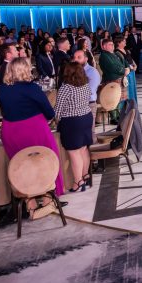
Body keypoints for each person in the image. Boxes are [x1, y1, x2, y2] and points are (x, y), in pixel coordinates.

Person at [0, 58, 64, 222]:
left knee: (21, 165)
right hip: (34, 128)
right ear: (25, 70)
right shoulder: (32, 88)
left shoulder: (2, 90)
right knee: (47, 160)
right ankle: (48, 201)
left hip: (11, 131)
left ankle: (30, 205)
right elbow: (49, 112)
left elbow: (5, 110)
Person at [54, 62, 93, 192]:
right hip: (86, 117)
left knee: (74, 152)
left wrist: (54, 120)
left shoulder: (66, 88)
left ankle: (78, 182)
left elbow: (58, 110)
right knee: (83, 149)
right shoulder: (86, 85)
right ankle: (85, 175)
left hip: (72, 122)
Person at [74, 50, 101, 142]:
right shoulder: (73, 72)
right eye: (74, 57)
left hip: (89, 104)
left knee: (89, 132)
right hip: (76, 105)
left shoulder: (92, 72)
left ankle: (93, 150)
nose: (75, 60)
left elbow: (90, 92)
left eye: (79, 57)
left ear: (86, 59)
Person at [115, 37, 138, 104]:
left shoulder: (125, 50)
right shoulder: (117, 52)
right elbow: (120, 63)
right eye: (123, 41)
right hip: (126, 72)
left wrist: (135, 65)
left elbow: (130, 58)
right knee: (128, 88)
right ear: (119, 43)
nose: (125, 42)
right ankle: (129, 105)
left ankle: (133, 104)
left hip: (132, 71)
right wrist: (129, 67)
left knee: (132, 88)